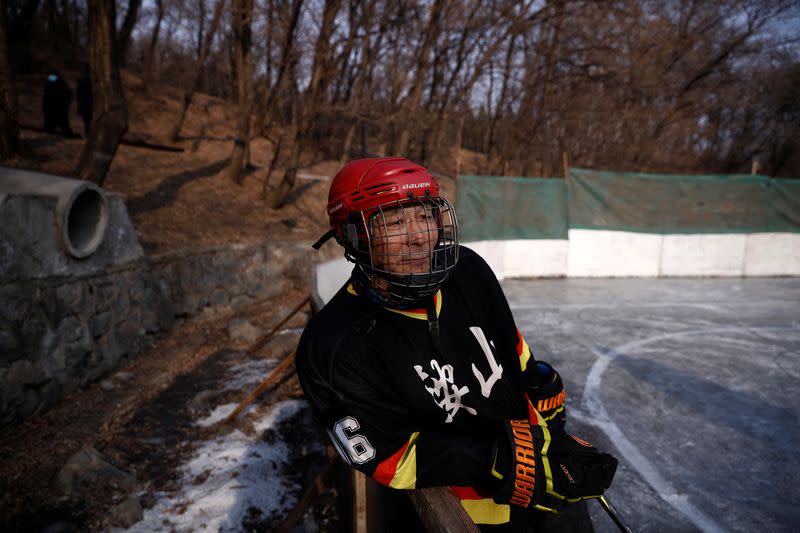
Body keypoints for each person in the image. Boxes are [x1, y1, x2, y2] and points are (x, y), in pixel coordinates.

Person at [296, 157, 618, 531]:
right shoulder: (332, 345)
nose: (418, 235)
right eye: (396, 222)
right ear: (352, 236)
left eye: (424, 216)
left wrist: (539, 384)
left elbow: (512, 350)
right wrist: (491, 459)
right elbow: (386, 458)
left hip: (546, 485)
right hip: (469, 517)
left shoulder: (469, 270)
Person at [42, 70, 73, 135]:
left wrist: (66, 102)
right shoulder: (48, 84)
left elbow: (68, 95)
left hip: (59, 106)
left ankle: (64, 130)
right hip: (51, 106)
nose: (51, 78)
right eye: (50, 76)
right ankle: (50, 128)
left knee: (62, 119)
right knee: (50, 119)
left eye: (53, 76)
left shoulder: (61, 84)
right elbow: (46, 96)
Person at [76, 63, 93, 136]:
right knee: (88, 119)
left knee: (86, 119)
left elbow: (78, 92)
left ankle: (87, 132)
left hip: (84, 101)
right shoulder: (90, 80)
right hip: (88, 101)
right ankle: (88, 133)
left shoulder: (82, 79)